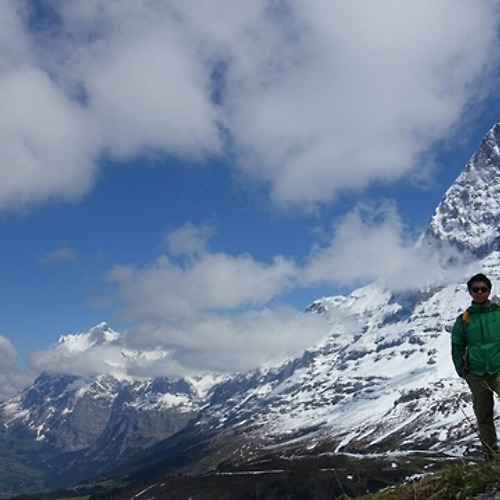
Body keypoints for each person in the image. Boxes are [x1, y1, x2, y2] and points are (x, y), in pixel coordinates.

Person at [451, 273, 500, 460]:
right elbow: (457, 345)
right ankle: (493, 458)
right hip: (477, 374)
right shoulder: (463, 320)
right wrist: (463, 371)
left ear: (489, 291)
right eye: (475, 289)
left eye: (483, 289)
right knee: (484, 417)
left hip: (498, 369)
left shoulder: (498, 313)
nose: (480, 292)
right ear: (470, 292)